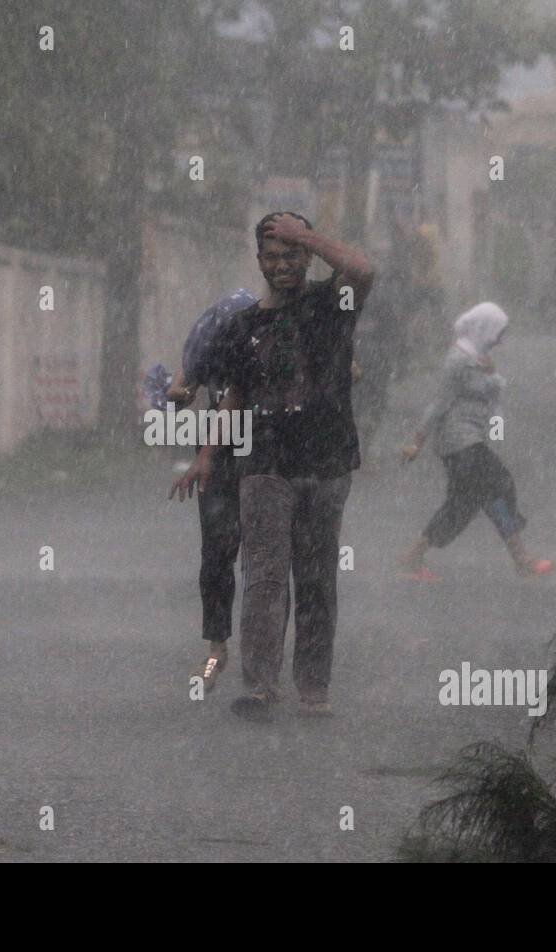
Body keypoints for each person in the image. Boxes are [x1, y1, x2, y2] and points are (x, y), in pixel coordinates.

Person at [172, 212, 375, 720]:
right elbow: (236, 396)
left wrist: (305, 233)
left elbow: (363, 269)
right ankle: (260, 685)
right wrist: (205, 457)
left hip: (326, 462)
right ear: (259, 260)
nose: (282, 264)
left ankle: (313, 687)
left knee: (316, 577)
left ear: (307, 257)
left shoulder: (334, 303)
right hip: (264, 463)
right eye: (272, 256)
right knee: (263, 575)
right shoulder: (245, 326)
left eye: (291, 255)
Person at [398, 302, 553, 581]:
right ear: (484, 329)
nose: (500, 339)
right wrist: (417, 441)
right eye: (498, 332)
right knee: (495, 487)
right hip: (459, 442)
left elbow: (492, 393)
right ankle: (522, 560)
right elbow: (439, 403)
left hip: (470, 439)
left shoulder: (478, 357)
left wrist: (491, 373)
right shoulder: (458, 360)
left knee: (470, 501)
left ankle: (521, 560)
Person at [165, 289, 258, 691]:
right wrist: (178, 393)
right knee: (217, 552)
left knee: (265, 556)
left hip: (269, 448)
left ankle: (261, 653)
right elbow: (182, 386)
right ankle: (217, 647)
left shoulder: (270, 336)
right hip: (218, 450)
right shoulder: (211, 336)